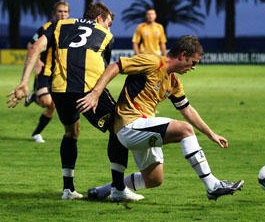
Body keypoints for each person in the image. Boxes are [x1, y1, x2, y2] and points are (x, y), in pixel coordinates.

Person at [78, 35, 244, 201]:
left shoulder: (173, 83)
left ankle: (105, 191)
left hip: (144, 127)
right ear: (182, 55)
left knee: (153, 179)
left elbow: (187, 110)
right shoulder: (153, 62)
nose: (193, 68)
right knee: (185, 130)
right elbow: (115, 66)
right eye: (192, 62)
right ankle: (213, 185)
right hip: (129, 124)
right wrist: (95, 93)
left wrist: (211, 134)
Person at [7, 2, 143, 201]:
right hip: (87, 90)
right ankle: (118, 188)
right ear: (99, 19)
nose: (109, 28)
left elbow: (35, 47)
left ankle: (68, 190)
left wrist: (24, 82)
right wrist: (97, 93)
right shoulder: (106, 35)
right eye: (109, 23)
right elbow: (104, 68)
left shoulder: (60, 25)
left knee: (71, 132)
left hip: (60, 90)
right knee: (118, 127)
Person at [25, 0, 70, 143]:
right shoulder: (46, 28)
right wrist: (37, 61)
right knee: (47, 102)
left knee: (52, 106)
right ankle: (35, 97)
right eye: (60, 11)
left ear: (68, 13)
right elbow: (31, 44)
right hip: (45, 70)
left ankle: (36, 133)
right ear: (54, 13)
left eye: (65, 12)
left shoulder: (71, 29)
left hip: (60, 73)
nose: (63, 14)